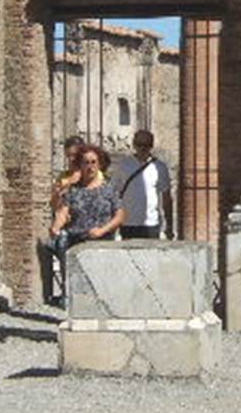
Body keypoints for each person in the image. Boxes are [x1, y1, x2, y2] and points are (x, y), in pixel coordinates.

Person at [49, 144, 125, 304]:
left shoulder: (109, 188)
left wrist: (102, 230)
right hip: (76, 242)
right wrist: (56, 226)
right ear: (80, 165)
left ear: (99, 164)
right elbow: (63, 211)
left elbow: (120, 215)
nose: (90, 166)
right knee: (79, 288)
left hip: (101, 243)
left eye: (93, 162)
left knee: (100, 286)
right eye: (86, 162)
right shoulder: (73, 190)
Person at [112, 129, 172, 239]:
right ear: (134, 145)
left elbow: (166, 197)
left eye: (146, 145)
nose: (143, 148)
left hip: (151, 223)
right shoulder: (124, 165)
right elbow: (115, 193)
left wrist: (169, 224)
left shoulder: (160, 167)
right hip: (128, 222)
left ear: (151, 146)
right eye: (139, 144)